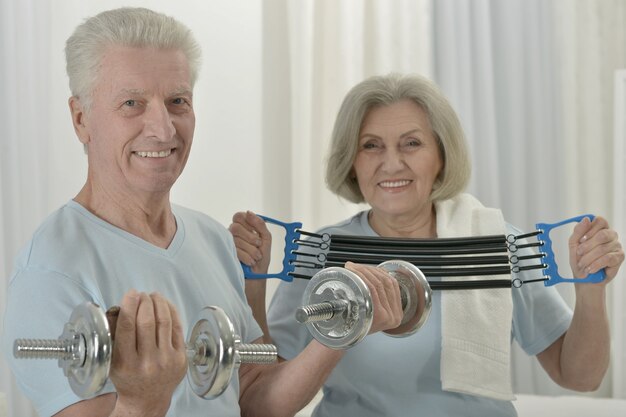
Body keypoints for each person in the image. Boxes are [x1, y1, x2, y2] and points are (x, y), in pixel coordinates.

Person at [1, 8, 406, 417]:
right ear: (81, 118)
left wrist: (342, 330)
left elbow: (252, 397)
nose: (162, 129)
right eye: (131, 103)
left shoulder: (211, 238)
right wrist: (143, 402)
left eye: (177, 101)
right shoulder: (50, 271)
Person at [231, 73, 625, 417]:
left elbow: (580, 377)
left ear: (441, 155)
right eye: (371, 145)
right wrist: (252, 283)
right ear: (352, 160)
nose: (391, 163)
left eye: (411, 143)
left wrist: (591, 292)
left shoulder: (496, 244)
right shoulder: (320, 253)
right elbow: (264, 401)